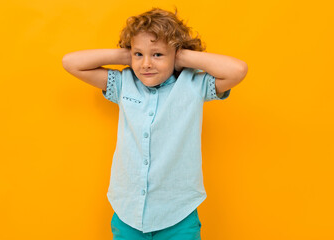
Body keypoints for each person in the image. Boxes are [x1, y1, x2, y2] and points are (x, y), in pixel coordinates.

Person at [62, 7, 248, 240]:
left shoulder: (194, 86)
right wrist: (127, 54)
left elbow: (238, 70)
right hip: (127, 212)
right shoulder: (122, 84)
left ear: (175, 54)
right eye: (139, 55)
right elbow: (70, 62)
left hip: (178, 215)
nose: (146, 64)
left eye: (157, 55)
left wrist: (180, 55)